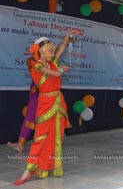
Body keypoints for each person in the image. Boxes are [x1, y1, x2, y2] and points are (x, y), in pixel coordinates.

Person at [14, 29, 78, 186]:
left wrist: (67, 35)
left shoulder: (52, 62)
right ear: (42, 51)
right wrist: (61, 69)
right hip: (45, 103)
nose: (53, 52)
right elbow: (53, 73)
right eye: (50, 50)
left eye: (52, 50)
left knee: (57, 136)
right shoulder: (36, 65)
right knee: (41, 137)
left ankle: (50, 167)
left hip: (57, 101)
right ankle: (28, 170)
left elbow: (61, 49)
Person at [7, 57, 38, 152]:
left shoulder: (42, 63)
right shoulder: (34, 61)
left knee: (30, 118)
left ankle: (21, 144)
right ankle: (21, 144)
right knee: (31, 119)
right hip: (36, 94)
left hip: (40, 95)